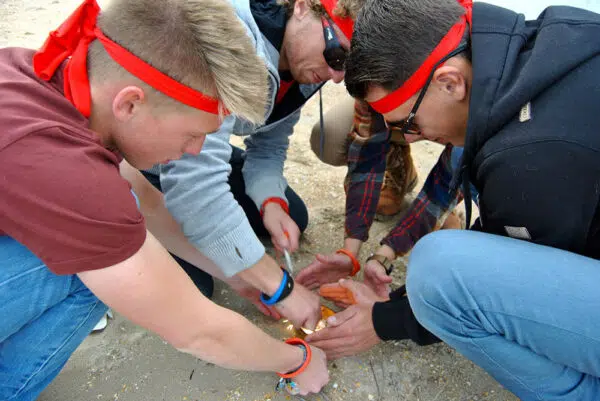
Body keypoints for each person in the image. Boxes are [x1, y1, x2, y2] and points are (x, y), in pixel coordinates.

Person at [0, 0, 330, 399]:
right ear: (130, 103)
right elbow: (198, 332)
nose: (196, 151)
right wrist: (296, 360)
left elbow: (145, 201)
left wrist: (235, 277)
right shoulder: (68, 174)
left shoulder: (50, 76)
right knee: (97, 266)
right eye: (192, 135)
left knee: (116, 240)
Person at [318, 0, 600, 399]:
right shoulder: (524, 46)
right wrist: (376, 258)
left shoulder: (527, 160)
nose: (409, 138)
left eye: (409, 124)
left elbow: (486, 279)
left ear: (450, 83)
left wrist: (385, 321)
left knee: (440, 267)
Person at [132, 0, 385, 328]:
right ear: (303, 7)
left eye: (348, 69)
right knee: (195, 287)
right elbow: (195, 185)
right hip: (142, 157)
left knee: (291, 214)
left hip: (192, 153)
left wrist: (271, 202)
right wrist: (280, 287)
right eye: (338, 56)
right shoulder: (229, 40)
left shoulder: (304, 66)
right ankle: (130, 218)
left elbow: (267, 148)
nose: (336, 77)